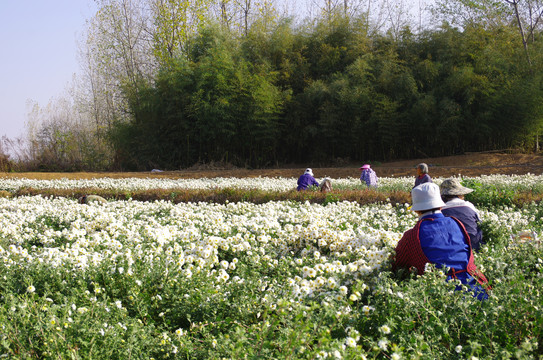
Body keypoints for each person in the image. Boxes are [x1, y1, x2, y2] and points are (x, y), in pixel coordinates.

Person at [392, 183, 490, 300]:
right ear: (440, 204)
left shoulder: (412, 235)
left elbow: (398, 263)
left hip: (443, 294)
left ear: (416, 210)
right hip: (477, 288)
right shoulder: (456, 223)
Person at [440, 178, 484, 252]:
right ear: (459, 194)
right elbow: (480, 223)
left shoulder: (441, 210)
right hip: (474, 246)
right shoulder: (469, 205)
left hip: (453, 250)